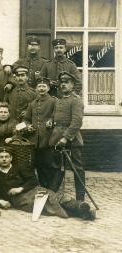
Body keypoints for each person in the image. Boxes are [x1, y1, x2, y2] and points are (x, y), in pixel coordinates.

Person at [0, 147, 95, 220]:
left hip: (32, 190)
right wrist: (1, 201)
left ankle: (80, 206)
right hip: (20, 200)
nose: (4, 159)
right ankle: (83, 211)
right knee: (46, 207)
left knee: (54, 197)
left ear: (11, 158)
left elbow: (33, 181)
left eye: (7, 157)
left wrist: (20, 188)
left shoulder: (19, 168)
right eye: (1, 157)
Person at [49, 71, 85, 201]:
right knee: (58, 168)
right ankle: (54, 196)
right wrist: (51, 121)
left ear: (73, 85)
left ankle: (80, 199)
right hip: (58, 140)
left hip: (72, 140)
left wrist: (65, 137)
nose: (63, 85)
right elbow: (56, 116)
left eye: (67, 82)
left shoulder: (76, 101)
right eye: (62, 82)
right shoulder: (59, 100)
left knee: (77, 169)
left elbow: (77, 122)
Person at [24, 77, 57, 190]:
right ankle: (43, 186)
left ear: (48, 88)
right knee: (38, 165)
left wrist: (51, 121)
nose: (41, 89)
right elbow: (26, 119)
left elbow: (56, 115)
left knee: (49, 164)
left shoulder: (53, 101)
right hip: (35, 140)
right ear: (36, 89)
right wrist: (28, 126)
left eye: (44, 87)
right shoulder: (32, 104)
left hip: (48, 139)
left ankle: (52, 188)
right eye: (39, 87)